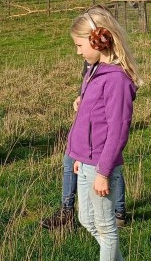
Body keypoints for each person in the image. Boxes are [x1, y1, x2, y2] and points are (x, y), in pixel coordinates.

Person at [63, 6, 142, 261]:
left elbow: (118, 132)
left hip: (101, 168)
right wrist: (80, 156)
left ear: (98, 41)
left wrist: (103, 171)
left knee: (107, 227)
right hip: (86, 161)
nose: (78, 52)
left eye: (79, 46)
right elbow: (92, 121)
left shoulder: (117, 81)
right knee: (86, 219)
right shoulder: (95, 73)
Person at [40, 62, 127, 230]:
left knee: (111, 161)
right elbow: (87, 83)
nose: (79, 51)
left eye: (80, 45)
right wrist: (81, 97)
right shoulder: (90, 58)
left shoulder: (113, 59)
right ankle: (68, 210)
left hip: (100, 128)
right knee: (69, 160)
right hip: (86, 125)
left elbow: (118, 101)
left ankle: (118, 212)